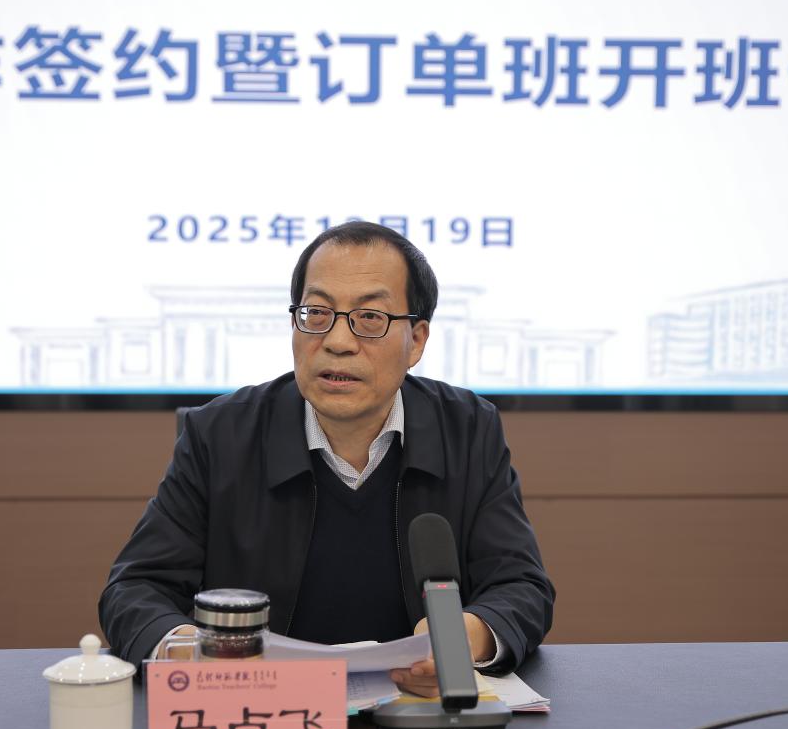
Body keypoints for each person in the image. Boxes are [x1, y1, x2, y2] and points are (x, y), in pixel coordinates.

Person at [99, 221, 554, 695]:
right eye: (316, 313)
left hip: (417, 712)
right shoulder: (220, 434)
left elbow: (521, 586)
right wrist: (198, 654)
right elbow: (135, 590)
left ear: (417, 340)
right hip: (259, 712)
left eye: (370, 318)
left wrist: (462, 639)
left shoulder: (467, 429)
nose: (337, 341)